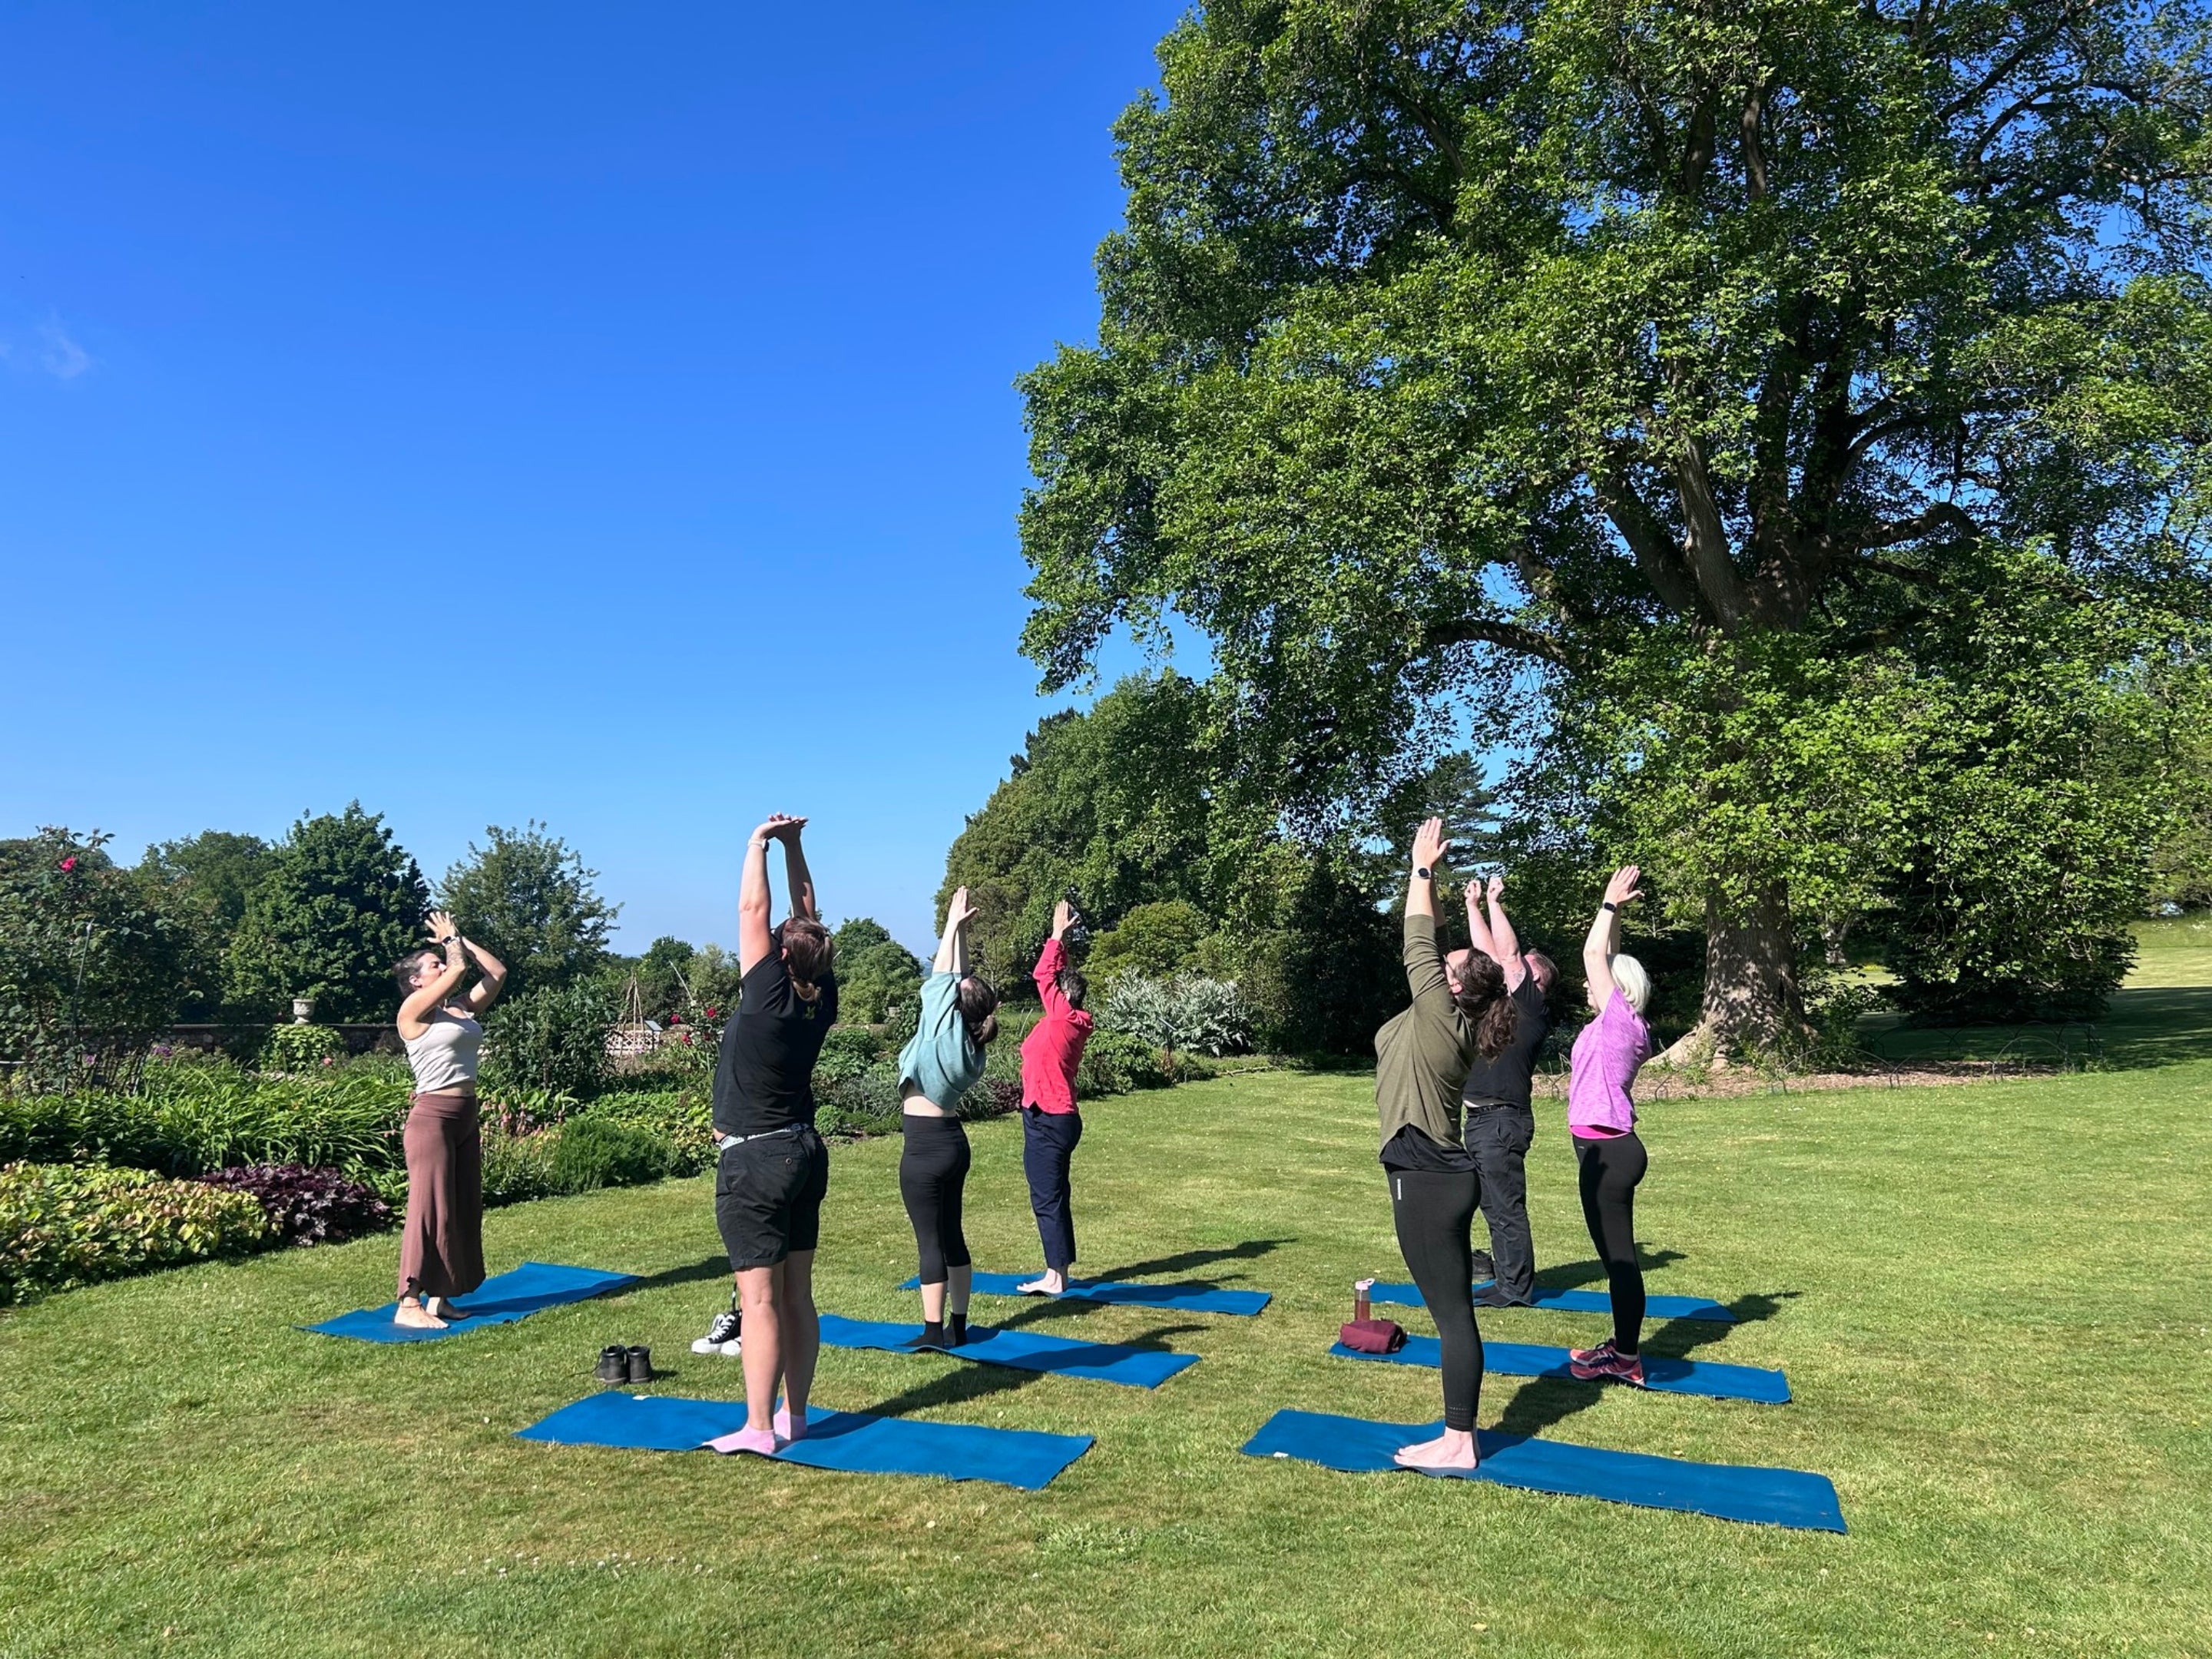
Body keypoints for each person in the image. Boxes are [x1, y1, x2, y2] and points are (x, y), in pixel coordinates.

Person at [1375, 818, 1518, 1472]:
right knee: (1453, 1310)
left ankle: (1460, 1441)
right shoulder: (1445, 1015)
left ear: (1455, 987)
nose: (1442, 963)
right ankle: (1459, 1433)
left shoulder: (1440, 1011)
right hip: (1437, 1173)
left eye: (1450, 966)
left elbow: (1415, 941)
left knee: (1453, 1315)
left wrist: (1421, 868)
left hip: (1427, 1178)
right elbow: (1427, 947)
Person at [702, 813, 838, 1452]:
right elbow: (804, 914)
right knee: (796, 1295)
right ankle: (797, 1416)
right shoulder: (819, 994)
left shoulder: (766, 996)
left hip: (757, 1158)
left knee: (758, 1302)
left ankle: (759, 1428)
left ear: (781, 955)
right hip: (804, 1150)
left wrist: (757, 842)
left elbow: (752, 906)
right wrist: (796, 846)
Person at [392, 910, 507, 1330]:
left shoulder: (457, 1009)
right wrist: (451, 945)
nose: (440, 964)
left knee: (460, 1206)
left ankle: (441, 1298)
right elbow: (457, 967)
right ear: (417, 981)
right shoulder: (413, 1013)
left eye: (439, 959)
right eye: (432, 964)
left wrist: (461, 938)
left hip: (465, 1115)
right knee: (428, 1207)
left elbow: (496, 972)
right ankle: (408, 1302)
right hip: (433, 1118)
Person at [1565, 866, 1657, 1387]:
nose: (1586, 984)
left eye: (1597, 982)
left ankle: (1626, 1359)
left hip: (1610, 1153)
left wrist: (1607, 903)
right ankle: (1621, 1348)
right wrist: (1616, 913)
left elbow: (1594, 956)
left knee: (1620, 1261)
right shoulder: (1618, 1022)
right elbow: (1606, 958)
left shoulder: (1620, 1021)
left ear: (1617, 991)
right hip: (1603, 1150)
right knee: (1614, 1258)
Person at [896, 886, 998, 1345]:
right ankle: (959, 1325)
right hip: (954, 1142)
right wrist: (960, 932)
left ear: (955, 1007)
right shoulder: (969, 1043)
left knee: (929, 1241)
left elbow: (939, 980)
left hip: (924, 1147)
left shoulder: (940, 1034)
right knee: (952, 1234)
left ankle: (932, 1330)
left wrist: (952, 928)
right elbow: (957, 979)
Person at [1458, 875, 1552, 1308]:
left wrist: (1494, 901)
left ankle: (1516, 1289)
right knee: (1493, 1207)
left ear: (1538, 980)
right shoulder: (1500, 1004)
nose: (1511, 968)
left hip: (1501, 1122)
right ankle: (1506, 1275)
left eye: (1524, 969)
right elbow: (1490, 958)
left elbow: (1510, 955)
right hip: (1481, 1121)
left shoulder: (1531, 1007)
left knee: (1506, 1207)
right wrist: (1473, 906)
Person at [1016, 898, 1092, 1295]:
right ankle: (1060, 1271)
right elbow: (1054, 976)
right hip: (1049, 1115)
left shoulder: (1062, 1020)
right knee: (1054, 1196)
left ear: (1063, 997)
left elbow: (1043, 973)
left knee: (1047, 1199)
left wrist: (1057, 935)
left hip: (1051, 1119)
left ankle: (1055, 1277)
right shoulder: (1065, 1021)